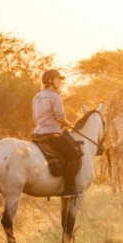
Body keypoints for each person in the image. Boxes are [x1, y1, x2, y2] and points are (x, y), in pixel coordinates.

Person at [32, 69, 82, 198]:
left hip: (37, 134)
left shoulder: (36, 97)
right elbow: (60, 117)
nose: (60, 82)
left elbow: (35, 118)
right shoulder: (55, 96)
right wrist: (67, 123)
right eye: (57, 79)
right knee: (74, 156)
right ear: (50, 81)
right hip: (52, 135)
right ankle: (68, 188)